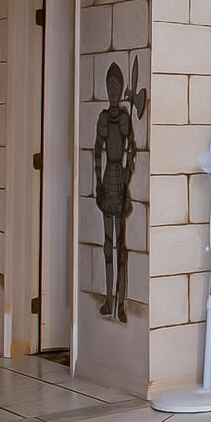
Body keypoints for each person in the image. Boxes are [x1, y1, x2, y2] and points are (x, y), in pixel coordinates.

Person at [93, 62, 139, 322]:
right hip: (108, 178)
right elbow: (96, 150)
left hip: (119, 180)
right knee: (107, 244)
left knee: (120, 245)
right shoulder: (102, 117)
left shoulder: (123, 117)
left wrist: (127, 174)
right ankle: (108, 299)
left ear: (120, 89)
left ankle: (120, 302)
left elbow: (131, 149)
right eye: (109, 87)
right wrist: (98, 181)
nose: (112, 91)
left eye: (115, 87)